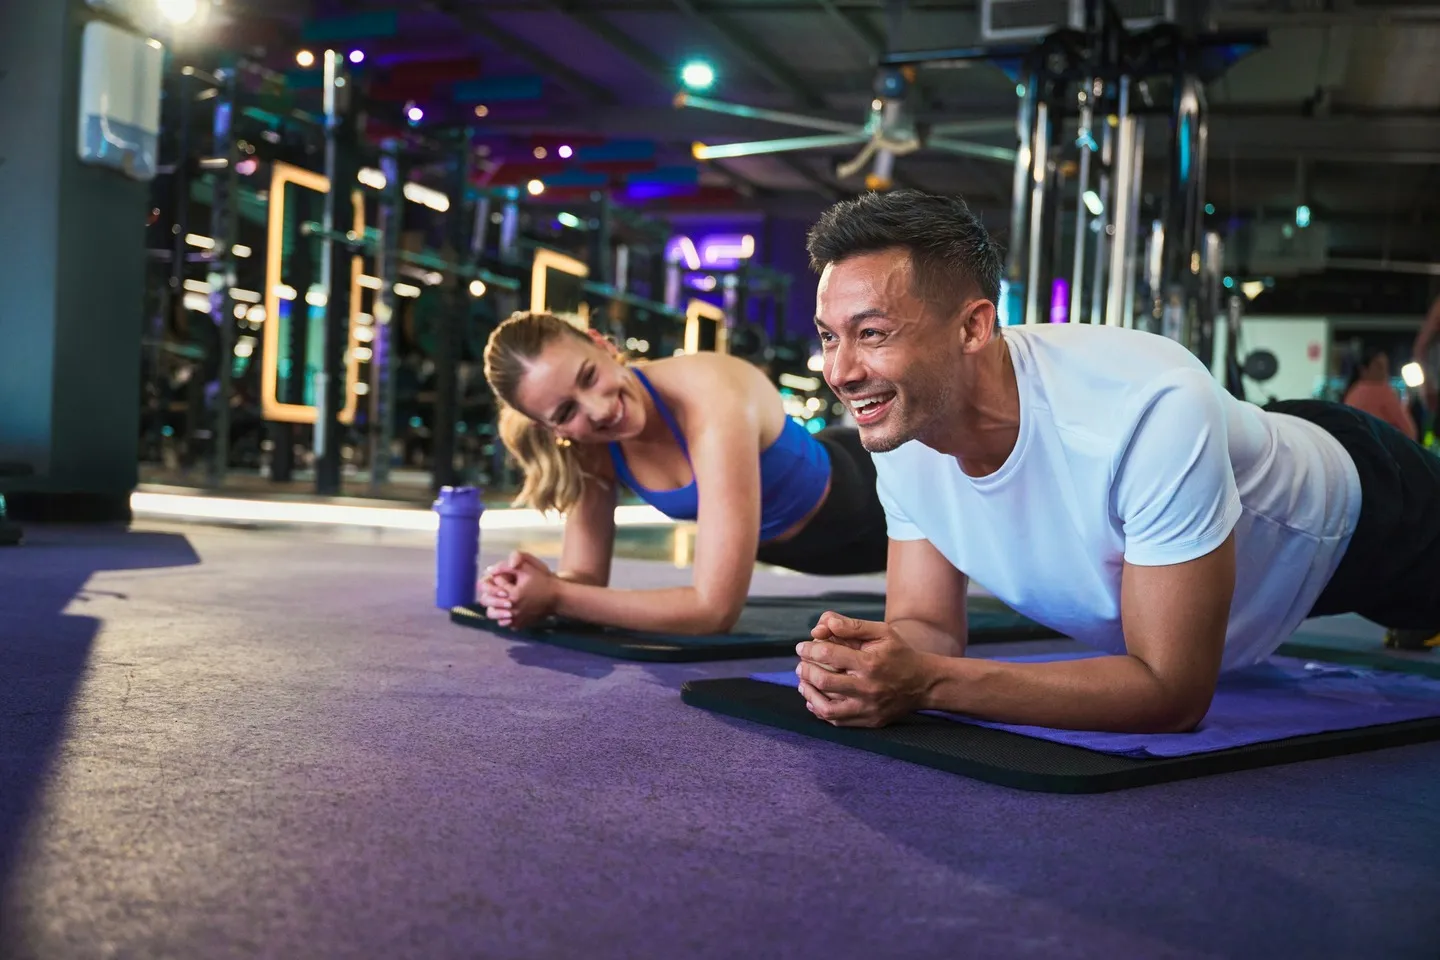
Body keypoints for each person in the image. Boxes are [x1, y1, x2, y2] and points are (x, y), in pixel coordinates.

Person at [791, 190, 1440, 732]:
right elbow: (927, 625)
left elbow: (1171, 693)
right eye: (828, 336)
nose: (841, 371)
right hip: (1259, 549)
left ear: (973, 328)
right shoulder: (904, 420)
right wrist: (875, 665)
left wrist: (930, 682)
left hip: (1364, 510)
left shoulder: (1146, 406)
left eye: (871, 333)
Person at [475, 311, 888, 635]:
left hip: (872, 502)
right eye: (566, 411)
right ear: (551, 428)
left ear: (601, 344)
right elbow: (584, 579)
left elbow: (713, 611)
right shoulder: (587, 443)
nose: (598, 409)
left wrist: (556, 596)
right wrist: (527, 587)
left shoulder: (710, 394)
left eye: (589, 376)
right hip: (807, 554)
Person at [1341, 347, 1417, 441]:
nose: (1384, 372)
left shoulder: (1352, 392)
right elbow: (1409, 432)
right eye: (1379, 366)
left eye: (1386, 367)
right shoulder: (1380, 391)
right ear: (1364, 370)